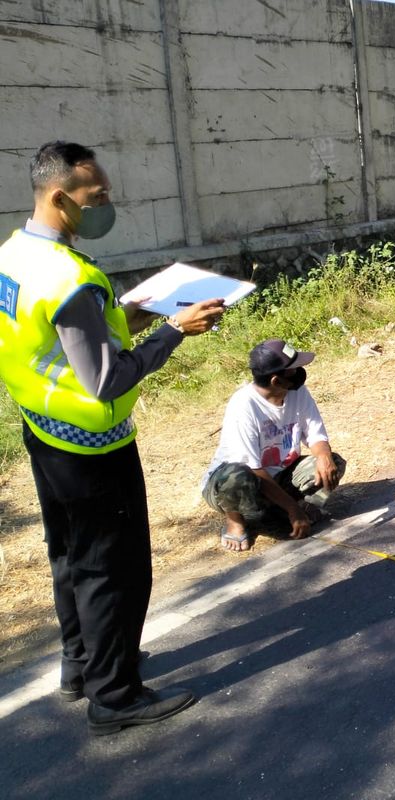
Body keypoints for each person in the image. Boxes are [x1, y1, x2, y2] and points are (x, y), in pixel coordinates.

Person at [0, 141, 225, 734]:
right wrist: (176, 329)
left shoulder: (15, 256)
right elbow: (105, 377)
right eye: (96, 196)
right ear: (60, 197)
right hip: (93, 445)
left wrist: (138, 311)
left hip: (43, 430)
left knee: (69, 555)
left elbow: (64, 342)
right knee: (113, 568)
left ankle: (80, 665)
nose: (107, 204)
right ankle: (115, 695)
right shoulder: (69, 278)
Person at [201, 339, 346, 552]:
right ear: (276, 381)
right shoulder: (243, 406)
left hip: (278, 476)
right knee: (236, 477)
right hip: (238, 482)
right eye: (294, 369)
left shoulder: (298, 392)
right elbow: (254, 469)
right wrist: (292, 509)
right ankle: (236, 520)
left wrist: (324, 456)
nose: (300, 372)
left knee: (333, 462)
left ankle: (288, 509)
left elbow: (316, 436)